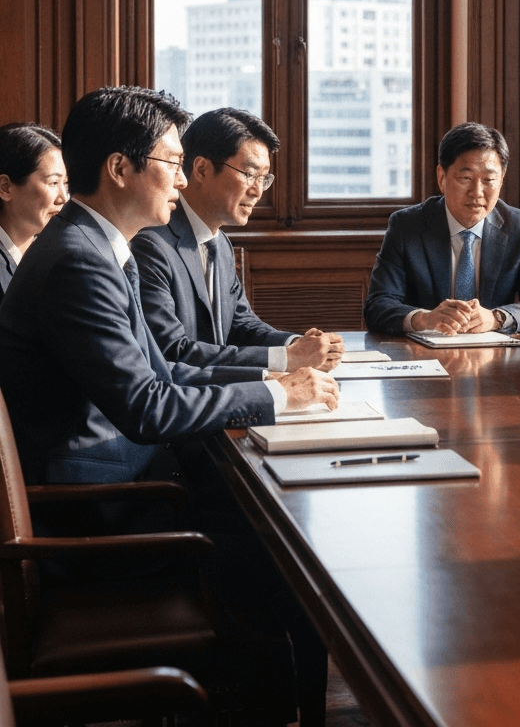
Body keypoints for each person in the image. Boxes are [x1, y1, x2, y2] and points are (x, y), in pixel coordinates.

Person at [0, 86, 339, 488]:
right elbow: (147, 408)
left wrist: (267, 382)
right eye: (174, 163)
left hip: (133, 473)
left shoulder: (93, 244)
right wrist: (280, 396)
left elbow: (160, 372)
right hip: (100, 498)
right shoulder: (79, 261)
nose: (181, 181)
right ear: (120, 169)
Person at [132, 107, 344, 372]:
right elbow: (171, 351)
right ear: (201, 169)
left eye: (263, 178)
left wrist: (297, 344)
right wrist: (286, 360)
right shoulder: (151, 244)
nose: (257, 191)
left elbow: (241, 325)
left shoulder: (219, 243)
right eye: (249, 174)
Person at [364, 122, 520, 334]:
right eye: (466, 178)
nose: (477, 192)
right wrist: (424, 319)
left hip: (493, 356)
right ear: (442, 178)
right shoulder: (406, 226)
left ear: (501, 179)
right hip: (424, 357)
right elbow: (377, 306)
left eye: (489, 180)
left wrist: (496, 318)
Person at [0, 123, 68, 301]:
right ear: (5, 188)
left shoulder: (59, 252)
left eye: (66, 184)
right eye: (53, 183)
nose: (63, 198)